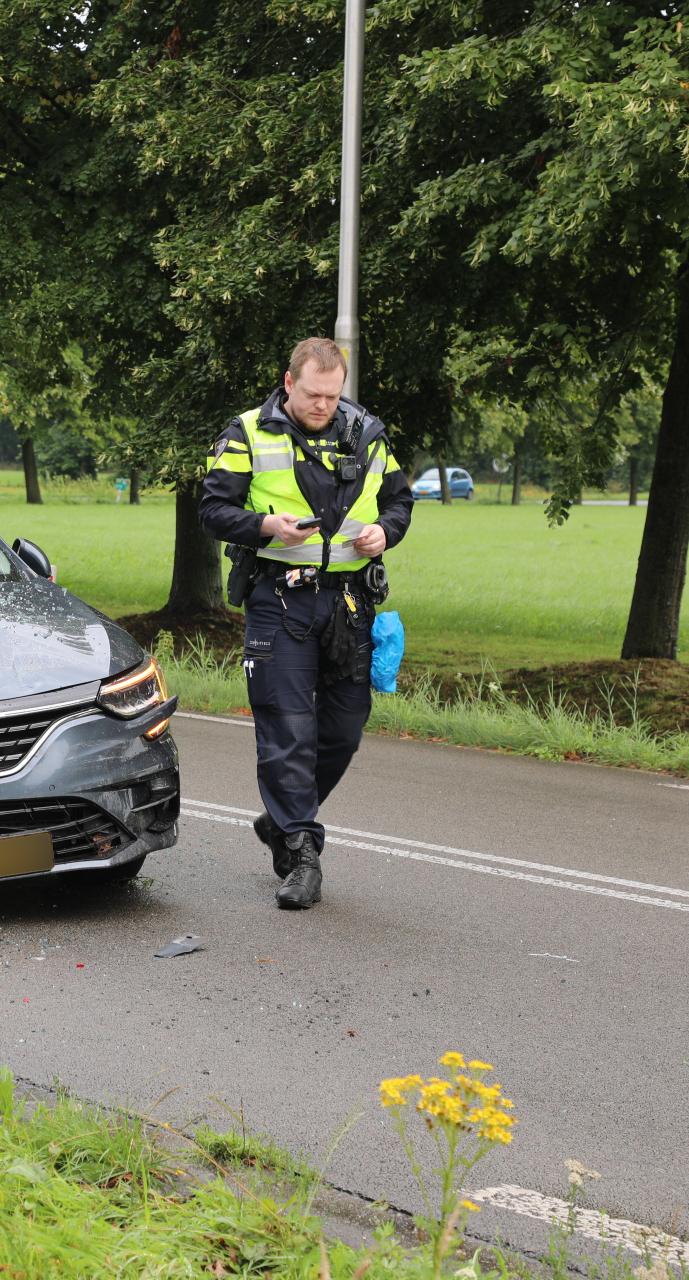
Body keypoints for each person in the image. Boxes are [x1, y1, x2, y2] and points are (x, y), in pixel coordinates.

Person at [199, 337, 414, 909]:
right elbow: (213, 510)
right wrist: (266, 526)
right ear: (290, 382)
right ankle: (300, 852)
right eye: (313, 394)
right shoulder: (247, 433)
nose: (323, 405)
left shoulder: (368, 434)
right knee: (288, 728)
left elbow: (400, 502)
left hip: (350, 603)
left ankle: (281, 817)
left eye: (332, 395)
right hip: (280, 599)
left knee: (343, 729)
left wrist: (385, 533)